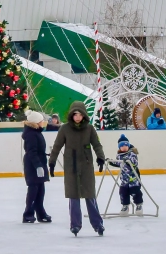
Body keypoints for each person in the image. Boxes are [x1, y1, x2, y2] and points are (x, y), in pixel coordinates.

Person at [49, 101, 106, 237]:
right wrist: (51, 162)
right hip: (71, 166)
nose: (78, 117)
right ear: (71, 115)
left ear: (84, 115)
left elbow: (97, 145)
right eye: (75, 115)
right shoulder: (65, 129)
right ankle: (75, 225)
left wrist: (100, 158)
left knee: (90, 196)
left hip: (86, 166)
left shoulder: (90, 129)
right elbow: (57, 146)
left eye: (80, 114)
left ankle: (98, 224)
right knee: (73, 197)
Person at [21, 111, 52, 224]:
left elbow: (37, 150)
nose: (43, 122)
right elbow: (32, 152)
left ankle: (40, 213)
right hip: (33, 165)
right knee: (33, 190)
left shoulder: (36, 132)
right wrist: (38, 166)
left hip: (39, 163)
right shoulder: (31, 134)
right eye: (41, 121)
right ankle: (28, 214)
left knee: (40, 190)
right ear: (36, 122)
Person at [107, 134, 143, 216]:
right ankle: (125, 206)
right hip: (124, 180)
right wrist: (110, 161)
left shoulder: (132, 153)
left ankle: (139, 205)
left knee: (135, 191)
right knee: (123, 192)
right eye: (122, 146)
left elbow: (134, 163)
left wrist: (128, 160)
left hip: (133, 179)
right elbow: (118, 163)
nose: (124, 147)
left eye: (126, 145)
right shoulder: (119, 155)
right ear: (119, 147)